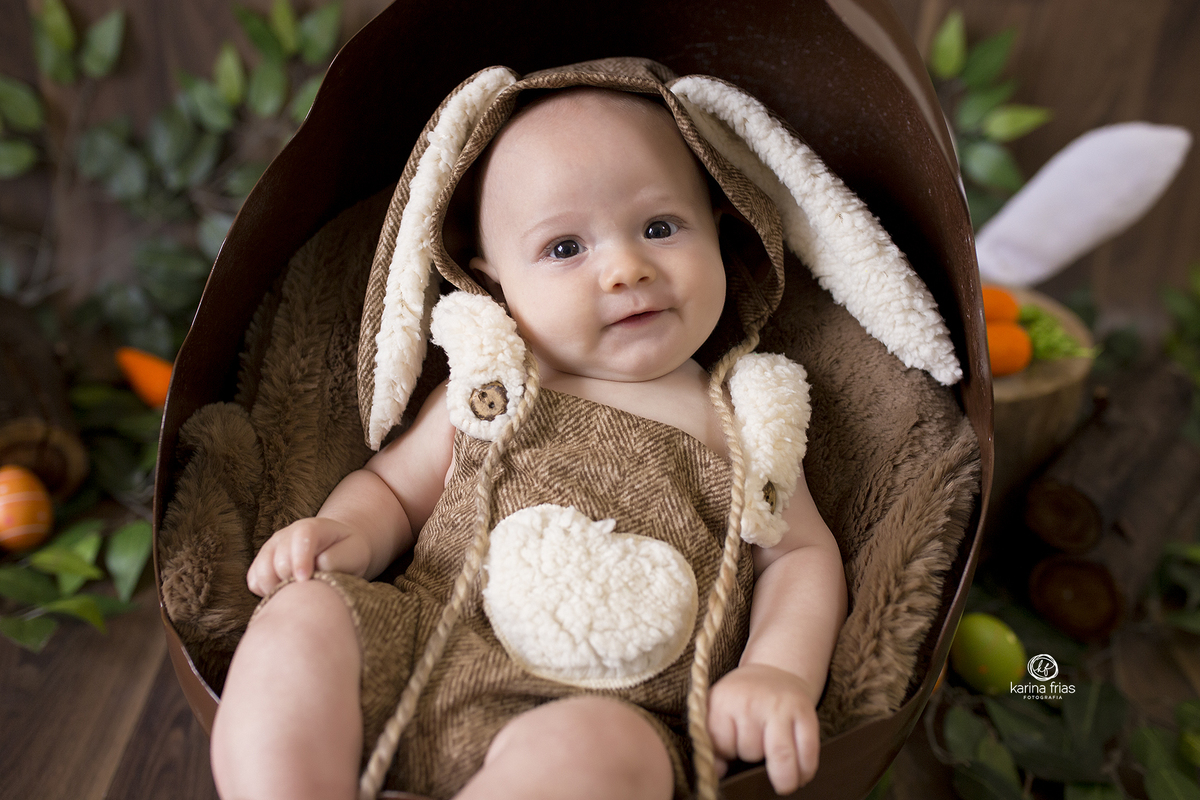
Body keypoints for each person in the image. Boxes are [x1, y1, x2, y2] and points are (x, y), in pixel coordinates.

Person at [210, 79, 846, 800]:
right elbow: (391, 488)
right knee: (302, 615)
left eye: (661, 227)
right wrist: (343, 532)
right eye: (565, 247)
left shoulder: (739, 417)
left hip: (607, 714)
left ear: (724, 234)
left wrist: (776, 670)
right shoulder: (490, 390)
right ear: (495, 283)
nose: (626, 268)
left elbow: (799, 554)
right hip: (418, 648)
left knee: (607, 754)